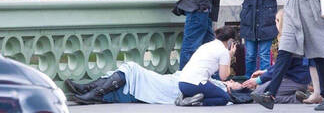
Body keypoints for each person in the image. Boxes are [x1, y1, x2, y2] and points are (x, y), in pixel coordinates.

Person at [65, 60, 243, 105]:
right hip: (171, 81)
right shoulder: (218, 84)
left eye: (237, 84)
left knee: (132, 68)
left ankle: (92, 92)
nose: (234, 81)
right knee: (129, 72)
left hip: (170, 88)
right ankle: (89, 89)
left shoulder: (222, 92)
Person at [178, 26, 237, 106]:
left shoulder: (206, 45)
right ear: (230, 40)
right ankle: (196, 102)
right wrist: (229, 57)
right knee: (225, 98)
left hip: (182, 83)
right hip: (195, 84)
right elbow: (224, 76)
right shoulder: (224, 51)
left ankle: (187, 97)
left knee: (211, 90)